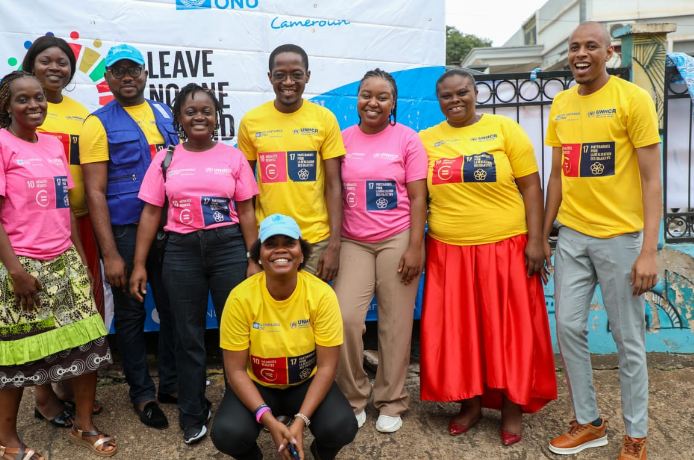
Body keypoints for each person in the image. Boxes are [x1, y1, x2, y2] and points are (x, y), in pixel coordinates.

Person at [0, 71, 115, 459]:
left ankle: (83, 426)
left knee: (88, 342)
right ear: (5, 106)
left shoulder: (53, 146)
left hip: (64, 262)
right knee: (17, 353)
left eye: (39, 98)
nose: (33, 105)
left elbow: (64, 206)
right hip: (18, 267)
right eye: (23, 99)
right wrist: (17, 271)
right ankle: (5, 438)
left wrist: (81, 260)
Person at [418, 68, 557, 446]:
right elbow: (418, 198)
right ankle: (471, 403)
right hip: (448, 251)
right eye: (446, 96)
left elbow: (532, 187)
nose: (455, 100)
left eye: (462, 92)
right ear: (439, 101)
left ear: (476, 93)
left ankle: (512, 409)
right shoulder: (426, 140)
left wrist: (537, 240)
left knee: (509, 330)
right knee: (461, 331)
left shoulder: (504, 129)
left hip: (506, 246)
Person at [543, 22, 662, 460]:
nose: (580, 53)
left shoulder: (633, 100)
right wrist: (542, 237)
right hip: (572, 237)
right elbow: (557, 177)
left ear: (609, 52)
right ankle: (590, 423)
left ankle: (636, 437)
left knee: (628, 340)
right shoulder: (560, 104)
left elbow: (652, 180)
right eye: (574, 47)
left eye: (590, 46)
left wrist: (649, 250)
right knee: (568, 327)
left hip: (620, 240)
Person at [128, 84, 261, 444]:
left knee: (237, 335)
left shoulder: (233, 157)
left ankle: (244, 408)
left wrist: (254, 258)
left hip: (229, 248)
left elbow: (247, 210)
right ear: (179, 119)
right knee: (187, 337)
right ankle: (192, 411)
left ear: (217, 116)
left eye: (206, 110)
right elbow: (152, 212)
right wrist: (139, 264)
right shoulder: (166, 159)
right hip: (181, 252)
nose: (198, 116)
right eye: (190, 111)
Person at [80, 43, 180, 429]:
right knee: (131, 314)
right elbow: (94, 193)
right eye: (117, 71)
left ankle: (171, 384)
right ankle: (141, 393)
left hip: (170, 228)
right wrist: (110, 255)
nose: (126, 77)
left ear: (144, 73)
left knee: (173, 308)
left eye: (133, 69)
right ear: (107, 78)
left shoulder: (164, 112)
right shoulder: (97, 122)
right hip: (124, 231)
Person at [210, 214, 358, 460]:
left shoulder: (322, 295)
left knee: (342, 426)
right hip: (259, 384)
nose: (281, 250)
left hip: (305, 383)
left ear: (302, 253)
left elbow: (327, 367)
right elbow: (235, 371)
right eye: (271, 244)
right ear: (259, 255)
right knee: (228, 434)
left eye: (289, 243)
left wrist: (300, 421)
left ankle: (319, 454)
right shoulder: (240, 298)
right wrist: (268, 420)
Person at [333, 68, 428, 433]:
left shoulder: (407, 139)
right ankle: (354, 397)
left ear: (393, 103)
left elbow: (419, 196)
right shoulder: (342, 140)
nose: (373, 102)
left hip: (397, 238)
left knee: (396, 324)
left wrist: (415, 246)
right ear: (356, 99)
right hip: (354, 240)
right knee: (345, 319)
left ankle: (390, 400)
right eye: (366, 95)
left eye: (382, 97)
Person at [238, 44, 345, 282]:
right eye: (280, 75)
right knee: (273, 315)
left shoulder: (324, 119)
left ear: (307, 76)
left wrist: (334, 245)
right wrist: (251, 250)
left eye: (296, 74)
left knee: (313, 314)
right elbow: (245, 192)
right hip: (269, 240)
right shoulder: (251, 121)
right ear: (270, 77)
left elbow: (334, 186)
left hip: (315, 240)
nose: (288, 82)